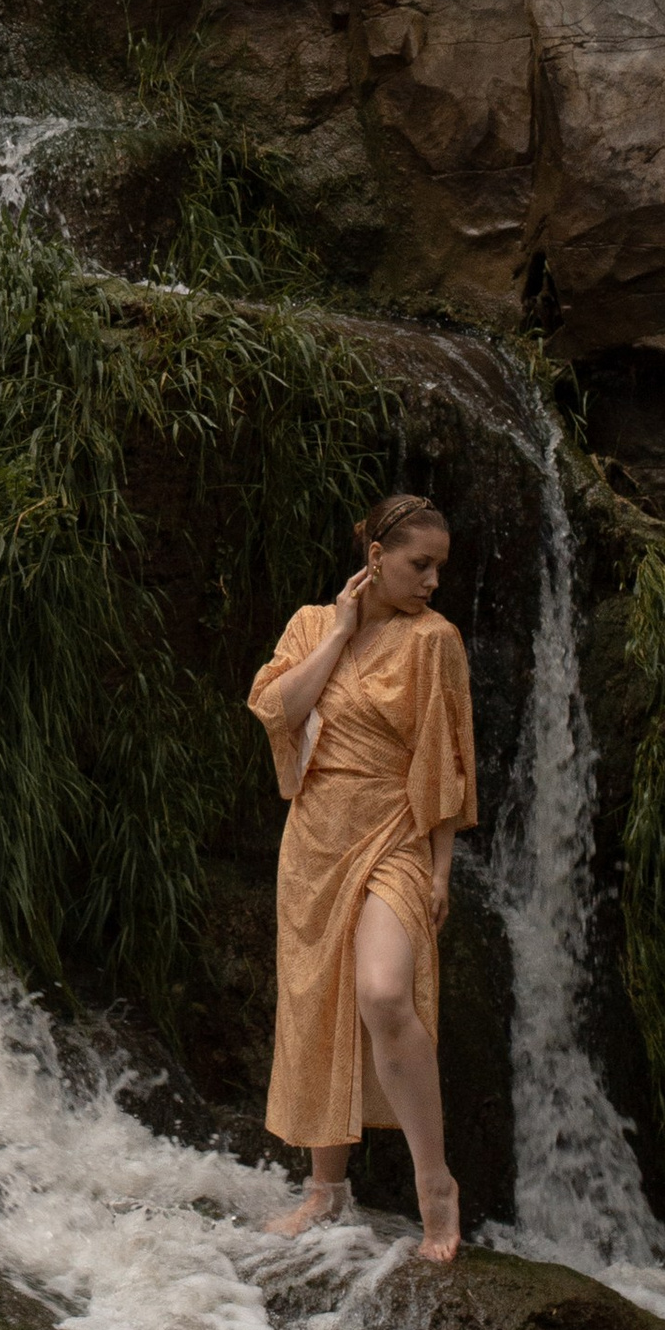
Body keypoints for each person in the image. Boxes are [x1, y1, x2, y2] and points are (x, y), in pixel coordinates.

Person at [245, 493, 475, 1262]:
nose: (434, 579)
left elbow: (444, 762)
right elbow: (277, 710)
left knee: (381, 992)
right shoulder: (313, 624)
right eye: (421, 564)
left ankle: (434, 1182)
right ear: (376, 558)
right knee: (317, 1003)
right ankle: (325, 1187)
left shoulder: (435, 641)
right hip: (313, 840)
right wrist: (340, 635)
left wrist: (441, 869)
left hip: (395, 836)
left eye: (440, 566)